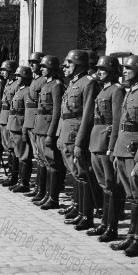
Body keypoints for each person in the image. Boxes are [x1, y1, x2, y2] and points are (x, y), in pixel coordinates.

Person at [57, 49, 99, 230]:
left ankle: (86, 215)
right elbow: (64, 112)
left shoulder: (88, 83)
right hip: (66, 133)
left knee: (82, 174)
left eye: (69, 63)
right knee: (75, 173)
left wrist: (80, 143)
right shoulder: (74, 82)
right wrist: (59, 133)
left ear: (79, 65)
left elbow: (88, 115)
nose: (66, 66)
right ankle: (78, 207)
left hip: (76, 135)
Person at [87, 56, 125, 241]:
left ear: (111, 71)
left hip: (106, 141)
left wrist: (112, 147)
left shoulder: (117, 91)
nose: (98, 71)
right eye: (98, 68)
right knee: (104, 185)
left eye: (102, 69)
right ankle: (104, 223)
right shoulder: (104, 89)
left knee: (111, 186)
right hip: (97, 139)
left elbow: (117, 121)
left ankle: (112, 227)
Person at [110, 55, 138, 255]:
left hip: (134, 152)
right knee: (131, 196)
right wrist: (115, 149)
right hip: (123, 148)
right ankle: (131, 235)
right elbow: (121, 123)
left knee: (137, 196)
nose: (124, 72)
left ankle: (136, 238)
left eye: (129, 68)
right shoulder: (129, 92)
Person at [32, 55, 64, 207]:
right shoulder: (46, 84)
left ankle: (53, 198)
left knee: (52, 164)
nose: (41, 69)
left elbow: (57, 112)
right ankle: (46, 194)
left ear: (51, 68)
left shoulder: (56, 85)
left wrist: (51, 134)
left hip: (48, 129)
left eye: (44, 67)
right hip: (40, 127)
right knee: (44, 161)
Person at [23, 52, 47, 200]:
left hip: (38, 121)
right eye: (30, 62)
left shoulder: (44, 81)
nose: (31, 65)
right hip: (31, 120)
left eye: (34, 62)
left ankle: (42, 190)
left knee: (41, 157)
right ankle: (38, 188)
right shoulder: (35, 79)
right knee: (38, 157)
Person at [0, 60, 19, 186]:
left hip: (10, 118)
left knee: (13, 149)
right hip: (3, 118)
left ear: (11, 71)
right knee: (7, 148)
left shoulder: (16, 84)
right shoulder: (7, 83)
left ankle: (14, 176)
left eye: (4, 70)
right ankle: (11, 174)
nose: (2, 72)